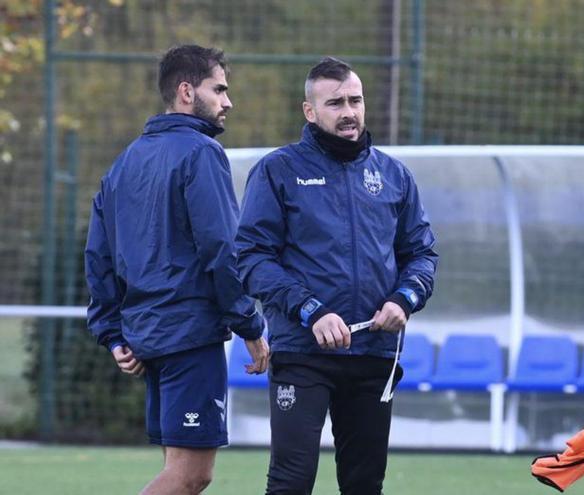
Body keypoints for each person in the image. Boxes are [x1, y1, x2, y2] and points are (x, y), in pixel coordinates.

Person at [235, 56, 438, 495]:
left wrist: (403, 299)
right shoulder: (277, 171)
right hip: (303, 352)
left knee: (364, 484)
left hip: (373, 353)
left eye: (356, 100)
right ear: (309, 111)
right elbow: (251, 258)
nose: (349, 111)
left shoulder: (394, 176)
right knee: (291, 482)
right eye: (335, 103)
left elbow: (422, 254)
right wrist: (311, 311)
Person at [84, 45, 270, 495]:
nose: (228, 102)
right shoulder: (201, 153)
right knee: (191, 476)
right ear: (187, 91)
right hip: (189, 336)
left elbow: (98, 255)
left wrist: (112, 332)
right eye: (219, 89)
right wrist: (250, 324)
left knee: (178, 467)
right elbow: (222, 250)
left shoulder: (126, 160)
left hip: (149, 336)